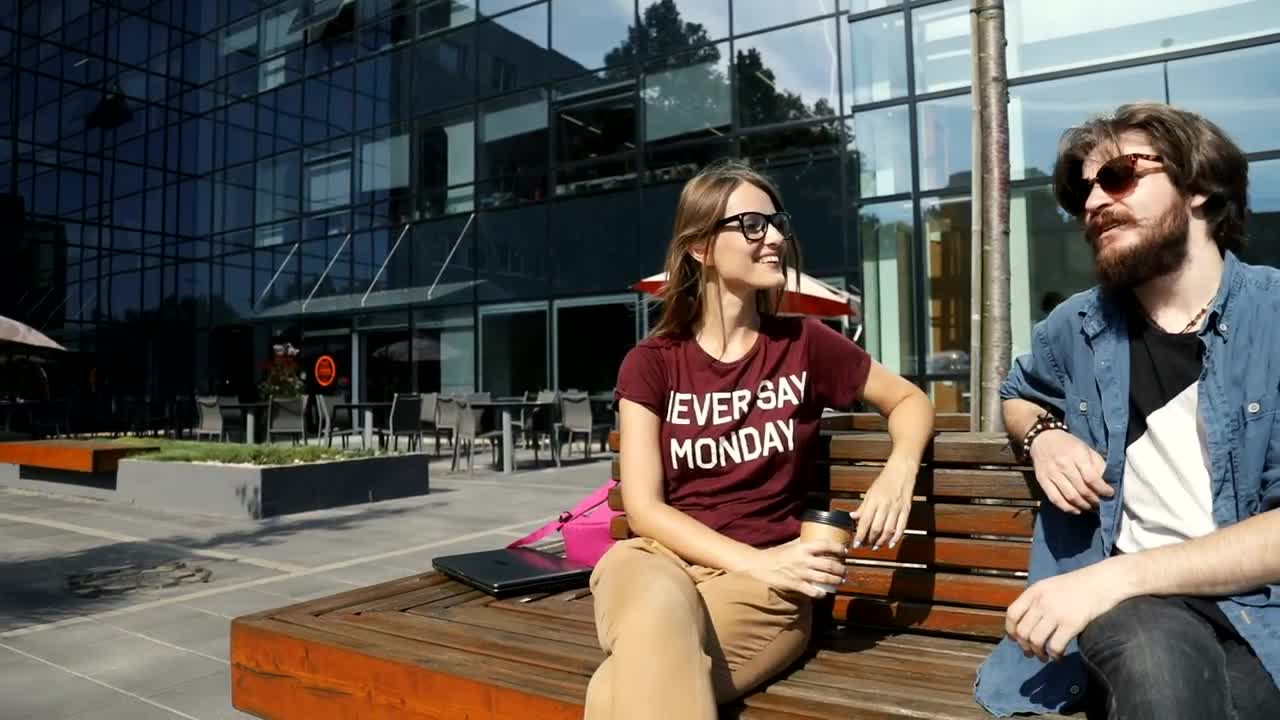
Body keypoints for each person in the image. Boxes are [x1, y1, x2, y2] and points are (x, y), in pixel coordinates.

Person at [585, 159, 934, 719]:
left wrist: (899, 468)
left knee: (616, 691)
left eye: (775, 223)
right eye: (751, 225)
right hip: (658, 561)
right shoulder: (652, 363)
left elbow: (910, 400)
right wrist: (753, 560)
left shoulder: (806, 344)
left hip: (770, 589)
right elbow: (645, 509)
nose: (773, 238)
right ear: (700, 247)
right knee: (650, 607)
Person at [974, 103, 1280, 719]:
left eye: (1116, 176)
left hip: (1259, 604)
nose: (1092, 202)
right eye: (1082, 191)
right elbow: (1017, 394)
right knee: (1157, 674)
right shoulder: (1077, 327)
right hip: (1136, 612)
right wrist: (1042, 436)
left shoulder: (1273, 318)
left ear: (1198, 187)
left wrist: (1111, 580)